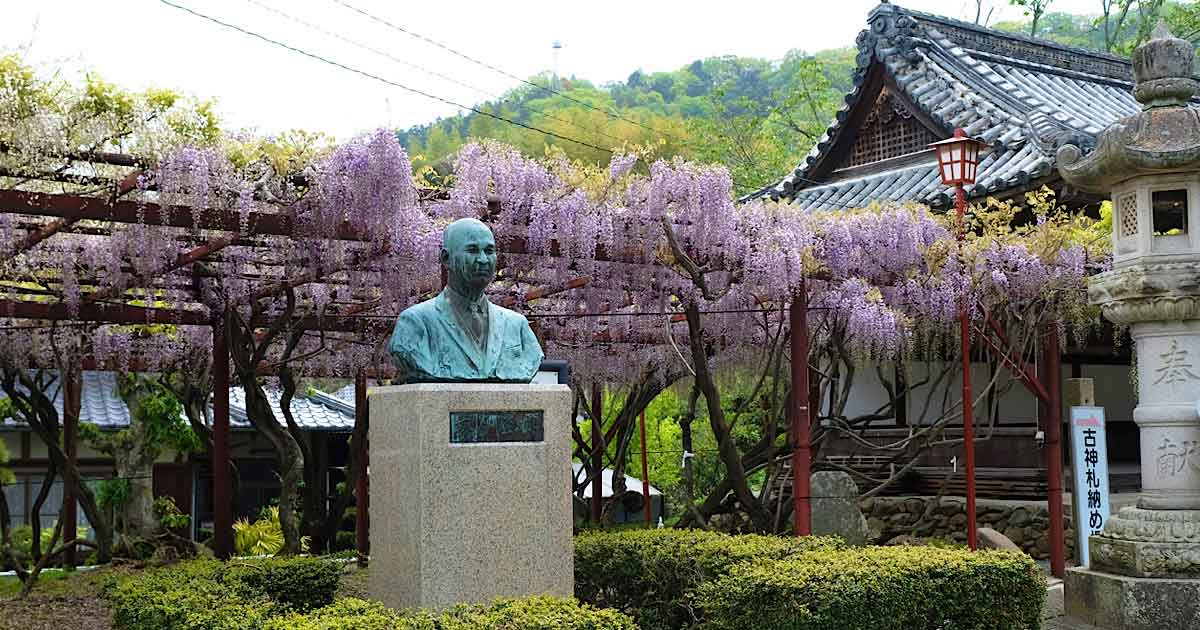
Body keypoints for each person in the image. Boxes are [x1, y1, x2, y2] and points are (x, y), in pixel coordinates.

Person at [388, 218, 543, 382]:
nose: (483, 260)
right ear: (446, 258)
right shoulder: (415, 322)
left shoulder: (517, 325)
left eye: (489, 251)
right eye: (472, 250)